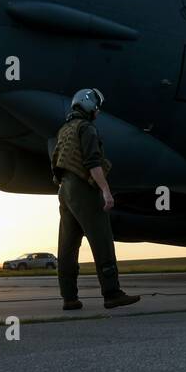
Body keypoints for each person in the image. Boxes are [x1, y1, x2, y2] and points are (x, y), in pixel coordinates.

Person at [50, 88, 140, 311]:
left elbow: (55, 160)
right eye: (97, 107)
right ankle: (112, 293)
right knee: (102, 240)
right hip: (82, 188)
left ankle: (69, 298)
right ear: (88, 105)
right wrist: (106, 191)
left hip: (65, 190)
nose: (98, 111)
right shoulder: (86, 128)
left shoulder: (65, 129)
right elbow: (93, 162)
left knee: (67, 246)